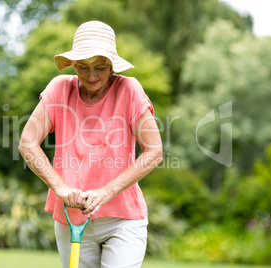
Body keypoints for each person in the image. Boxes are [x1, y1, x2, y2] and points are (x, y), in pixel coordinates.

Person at [19, 20, 163, 268]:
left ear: (111, 65)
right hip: (71, 219)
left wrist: (105, 192)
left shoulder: (129, 90)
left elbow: (155, 152)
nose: (91, 75)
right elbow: (27, 143)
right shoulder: (59, 89)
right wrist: (61, 188)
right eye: (83, 67)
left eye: (100, 67)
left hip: (122, 218)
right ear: (73, 64)